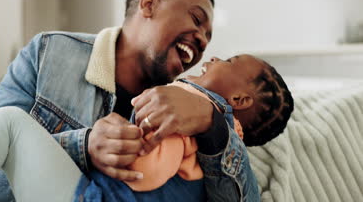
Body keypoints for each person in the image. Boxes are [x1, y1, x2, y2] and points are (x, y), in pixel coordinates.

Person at [0, 0, 261, 201]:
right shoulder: (49, 55)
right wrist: (83, 147)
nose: (201, 41)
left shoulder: (199, 113)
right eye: (196, 20)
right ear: (149, 4)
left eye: (208, 38)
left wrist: (213, 126)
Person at [78, 54, 294, 200]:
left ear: (238, 99)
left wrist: (125, 145)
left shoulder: (185, 103)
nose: (214, 57)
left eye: (229, 61)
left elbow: (147, 169)